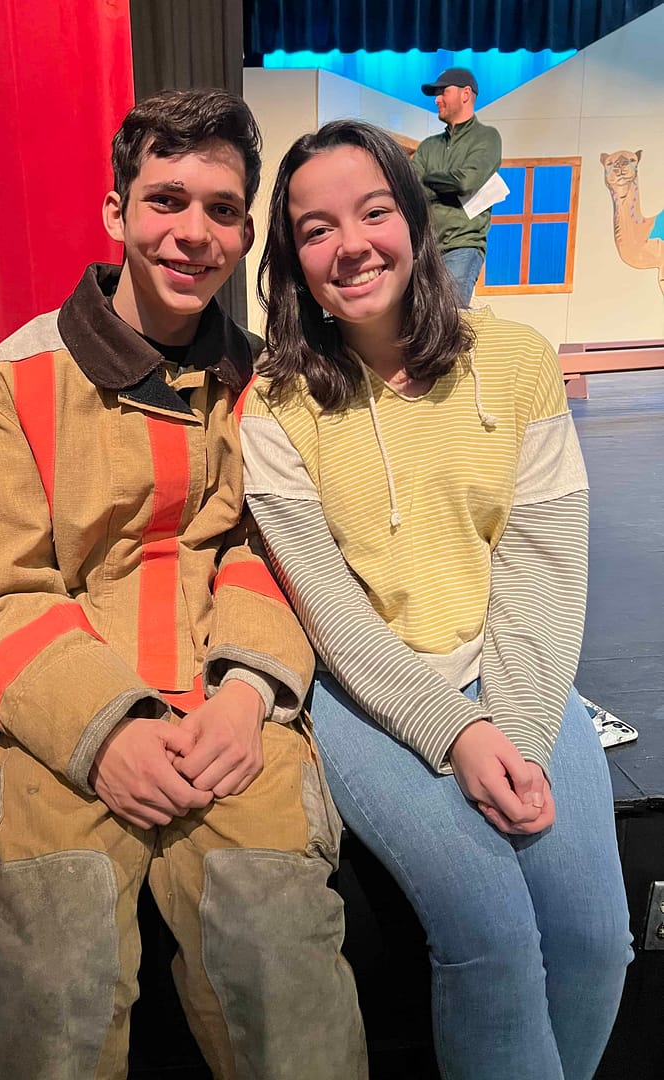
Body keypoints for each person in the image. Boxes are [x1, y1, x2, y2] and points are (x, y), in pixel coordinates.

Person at [0, 89, 367, 1080]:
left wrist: (247, 695)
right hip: (60, 736)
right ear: (117, 214)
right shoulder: (6, 388)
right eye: (166, 200)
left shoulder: (274, 386)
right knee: (43, 990)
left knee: (290, 992)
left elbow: (279, 548)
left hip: (233, 726)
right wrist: (109, 732)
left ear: (247, 232)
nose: (192, 232)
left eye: (220, 209)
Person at [238, 119, 633, 1080]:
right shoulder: (276, 401)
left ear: (413, 221)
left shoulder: (519, 361)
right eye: (316, 227)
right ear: (291, 255)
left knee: (593, 942)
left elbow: (541, 568)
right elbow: (330, 611)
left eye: (373, 211)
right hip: (367, 692)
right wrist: (455, 735)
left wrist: (523, 733)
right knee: (493, 942)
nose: (351, 245)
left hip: (518, 679)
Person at [412, 67, 501, 306]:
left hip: (463, 245)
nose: (437, 99)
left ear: (465, 94)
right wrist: (443, 185)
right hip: (425, 250)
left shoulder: (487, 138)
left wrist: (428, 180)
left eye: (443, 92)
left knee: (449, 319)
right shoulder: (428, 146)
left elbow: (466, 181)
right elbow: (410, 189)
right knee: (421, 321)